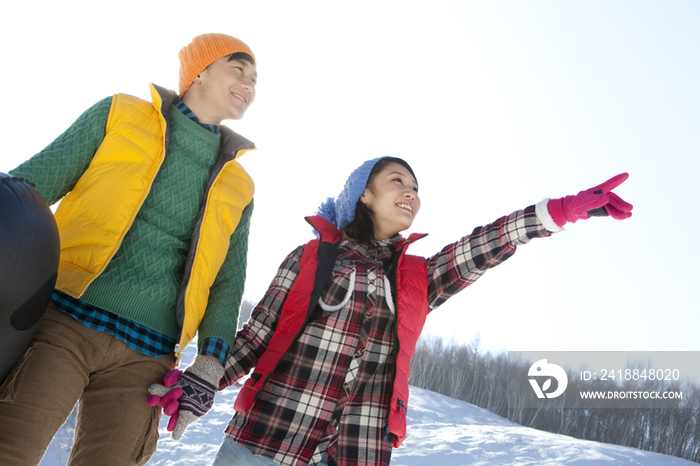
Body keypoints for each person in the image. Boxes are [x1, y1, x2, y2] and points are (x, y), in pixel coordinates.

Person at [150, 156, 633, 466]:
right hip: (266, 438)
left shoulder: (416, 279)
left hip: (357, 452)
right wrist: (203, 380)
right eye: (397, 180)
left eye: (417, 187)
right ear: (363, 193)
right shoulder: (313, 258)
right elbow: (257, 336)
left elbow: (482, 246)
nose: (411, 192)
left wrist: (560, 211)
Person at [0, 33, 258, 466]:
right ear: (200, 71)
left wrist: (210, 364)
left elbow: (227, 283)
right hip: (66, 320)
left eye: (255, 79)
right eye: (239, 69)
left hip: (148, 357)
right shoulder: (121, 114)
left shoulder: (239, 185)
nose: (250, 85)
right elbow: (30, 187)